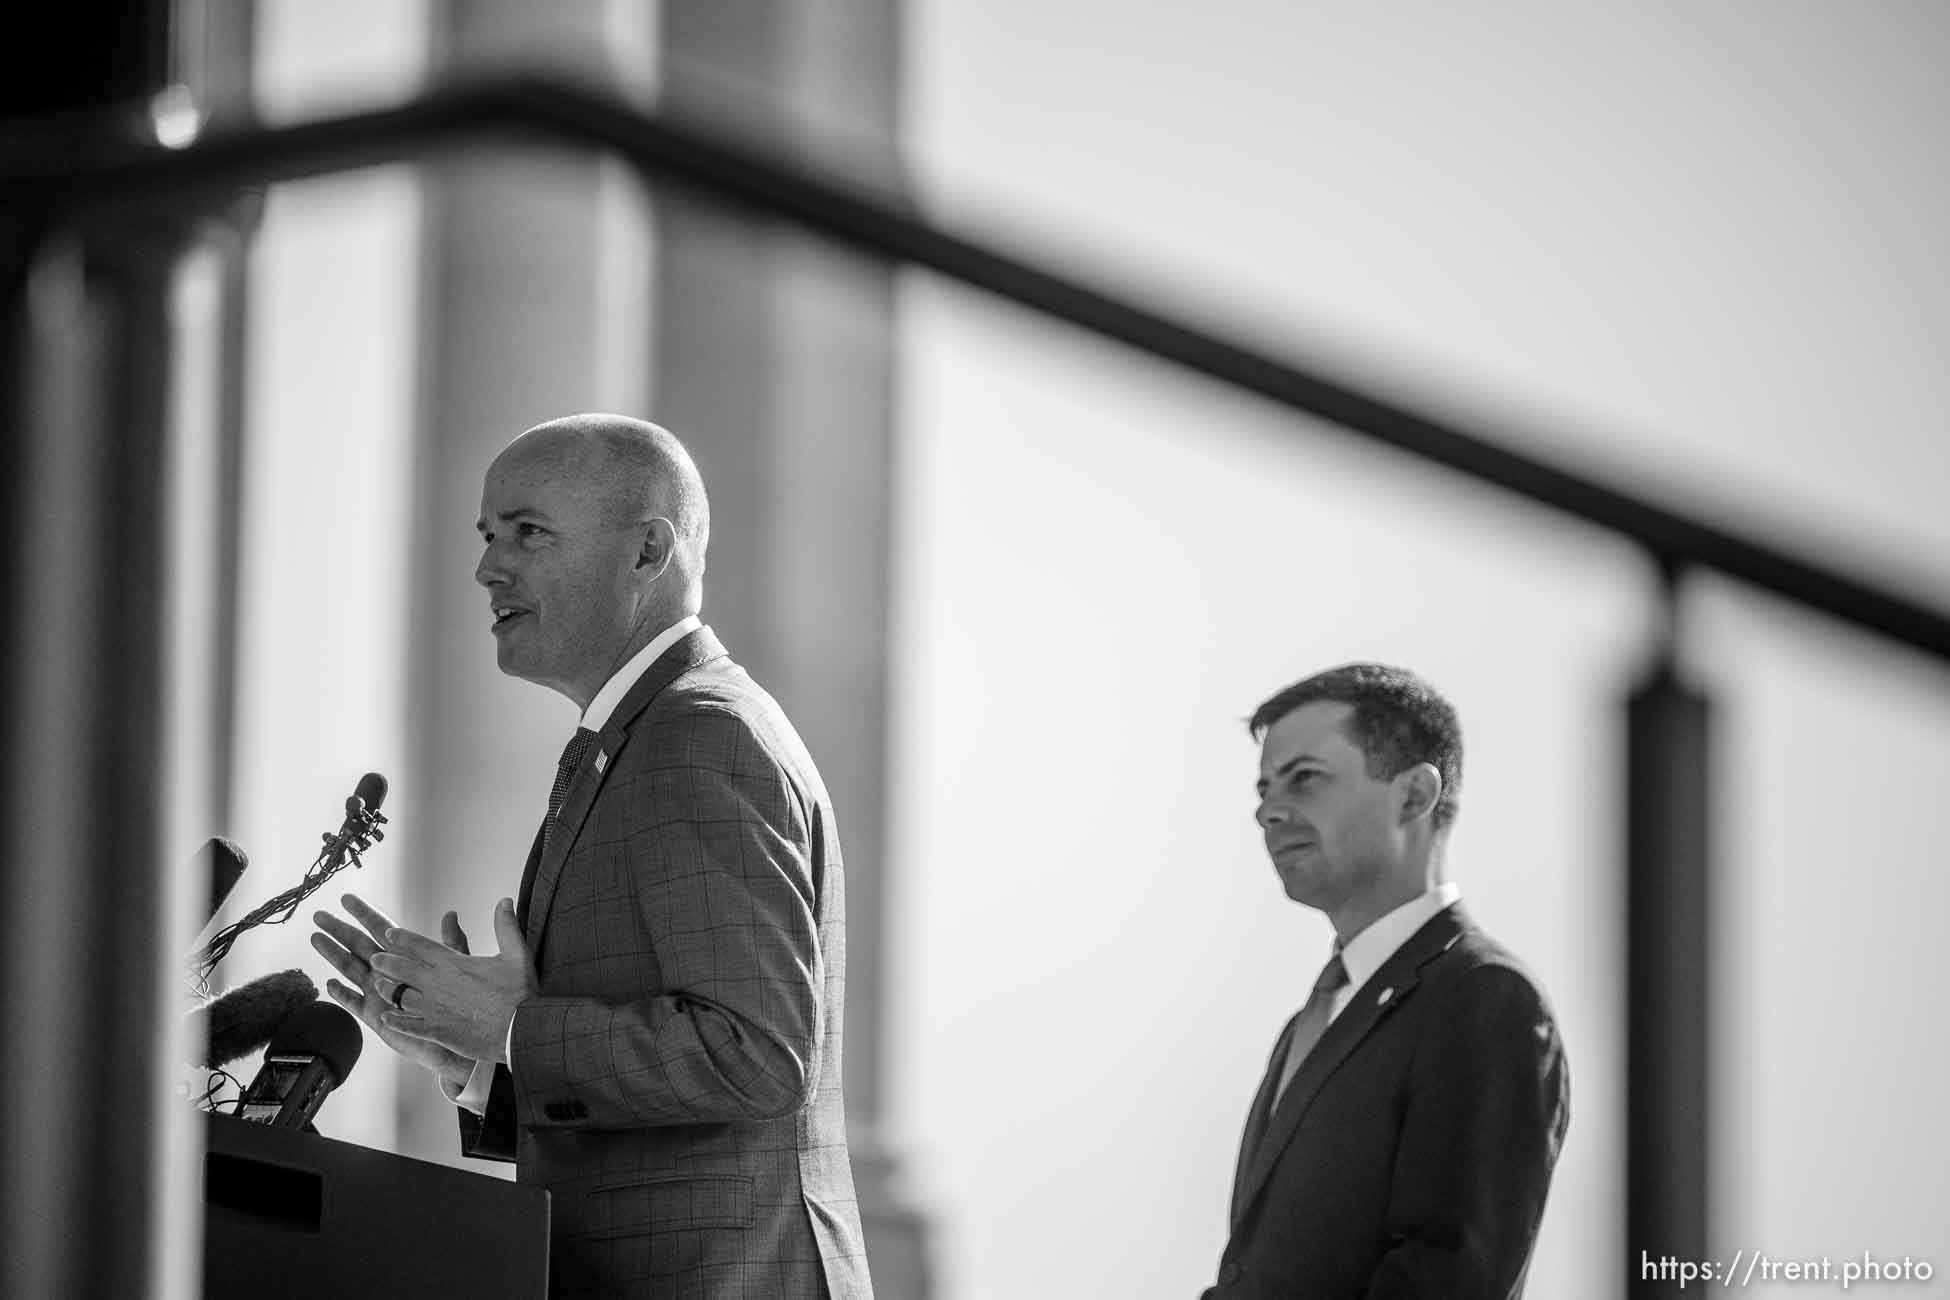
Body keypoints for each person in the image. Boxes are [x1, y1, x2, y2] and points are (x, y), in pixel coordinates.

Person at [311, 413, 874, 1299]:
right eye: (489, 536)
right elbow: (663, 1113)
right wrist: (476, 1059)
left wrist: (512, 1029)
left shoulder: (698, 738)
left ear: (648, 552)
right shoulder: (644, 733)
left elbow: (757, 1053)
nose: (489, 567)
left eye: (528, 532)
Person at [1205, 663, 1569, 1299]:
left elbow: (1446, 1278)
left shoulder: (1482, 997)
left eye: (1305, 780)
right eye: (1264, 789)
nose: (1269, 812)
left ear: (1415, 795)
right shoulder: (1314, 1022)